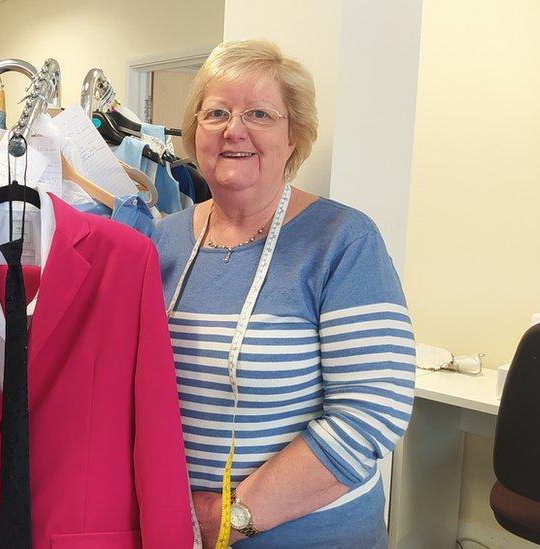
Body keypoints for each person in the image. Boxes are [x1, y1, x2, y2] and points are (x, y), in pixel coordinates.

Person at [153, 40, 415, 548]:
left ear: (294, 136)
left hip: (308, 533)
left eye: (259, 114)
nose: (234, 130)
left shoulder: (342, 240)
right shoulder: (161, 239)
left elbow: (372, 408)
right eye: (216, 113)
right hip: (175, 528)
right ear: (195, 132)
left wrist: (233, 517)